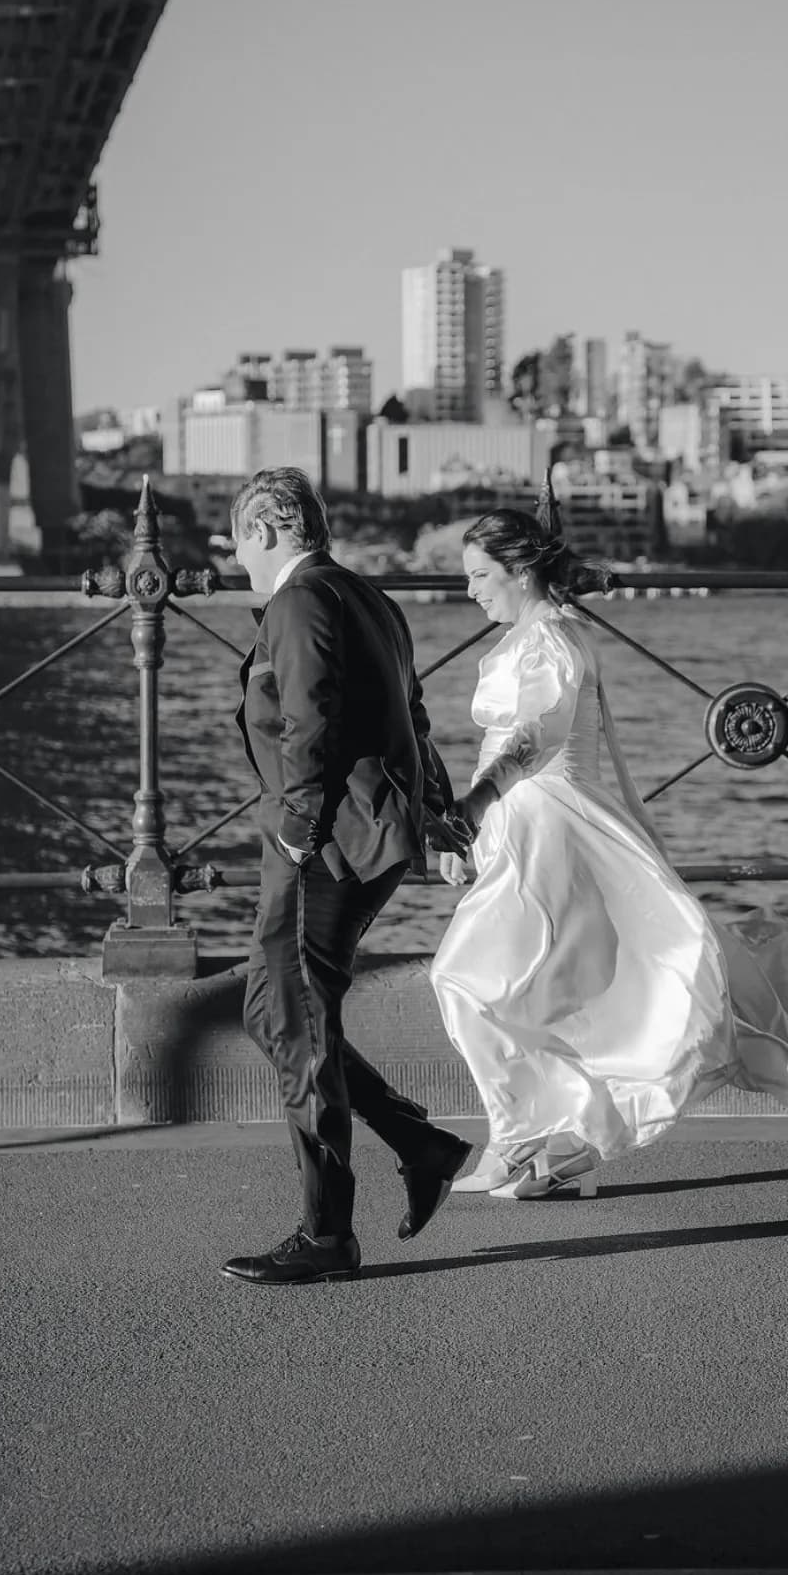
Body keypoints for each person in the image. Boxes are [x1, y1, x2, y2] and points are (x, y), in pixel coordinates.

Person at [429, 485, 788, 1216]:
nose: (468, 590)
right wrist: (474, 830)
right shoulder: (535, 637)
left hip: (556, 828)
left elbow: (532, 738)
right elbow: (508, 744)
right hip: (527, 828)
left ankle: (530, 1141)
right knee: (539, 987)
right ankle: (548, 1145)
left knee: (477, 979)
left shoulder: (551, 640)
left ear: (519, 571)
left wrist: (470, 808)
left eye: (479, 575)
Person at [221, 468, 471, 1285]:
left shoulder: (296, 602)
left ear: (264, 529)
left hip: (324, 843)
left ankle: (327, 1233)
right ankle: (417, 1141)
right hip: (366, 832)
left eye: (237, 542)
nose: (236, 559)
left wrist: (294, 832)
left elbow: (310, 723)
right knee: (273, 1008)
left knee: (294, 1020)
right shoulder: (370, 597)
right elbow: (413, 714)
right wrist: (433, 815)